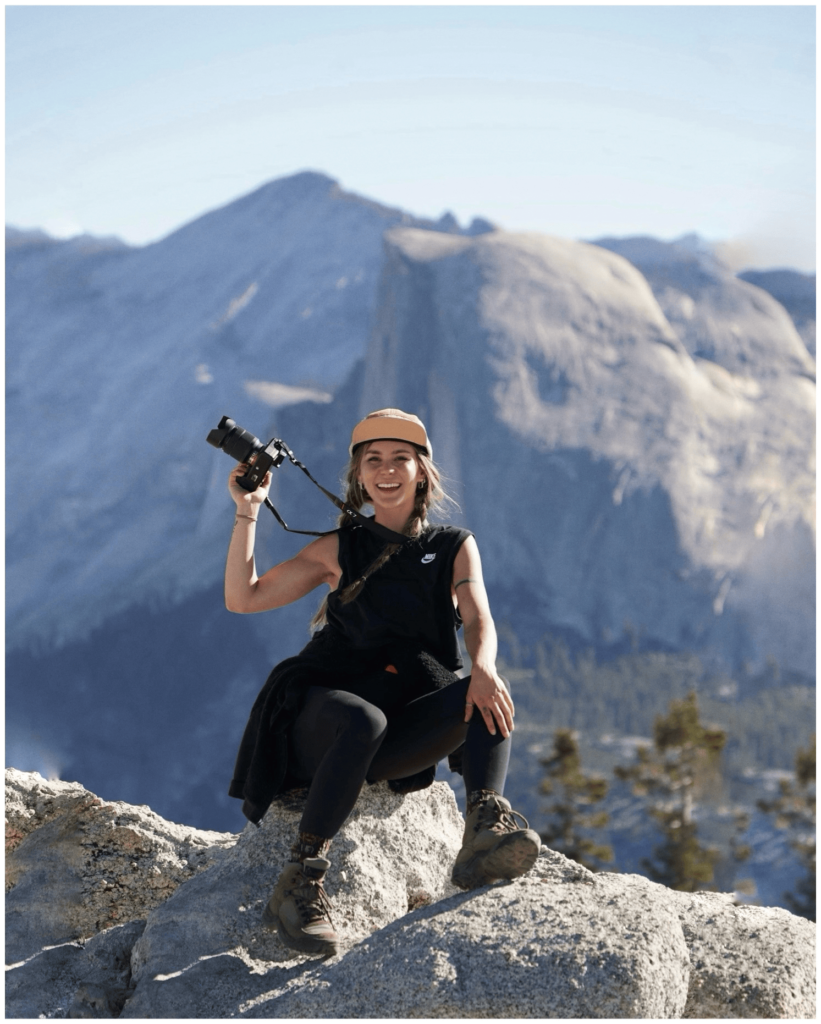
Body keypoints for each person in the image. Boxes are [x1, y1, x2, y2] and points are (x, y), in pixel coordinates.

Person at [224, 408, 540, 956]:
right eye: (374, 461)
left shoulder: (453, 545)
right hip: (320, 717)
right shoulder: (339, 547)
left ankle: (483, 829)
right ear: (359, 475)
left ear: (423, 471)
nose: (386, 470)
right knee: (362, 719)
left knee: (484, 690)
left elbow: (479, 617)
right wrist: (248, 512)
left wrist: (483, 666)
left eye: (400, 459)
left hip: (391, 731)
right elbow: (244, 598)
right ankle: (300, 880)